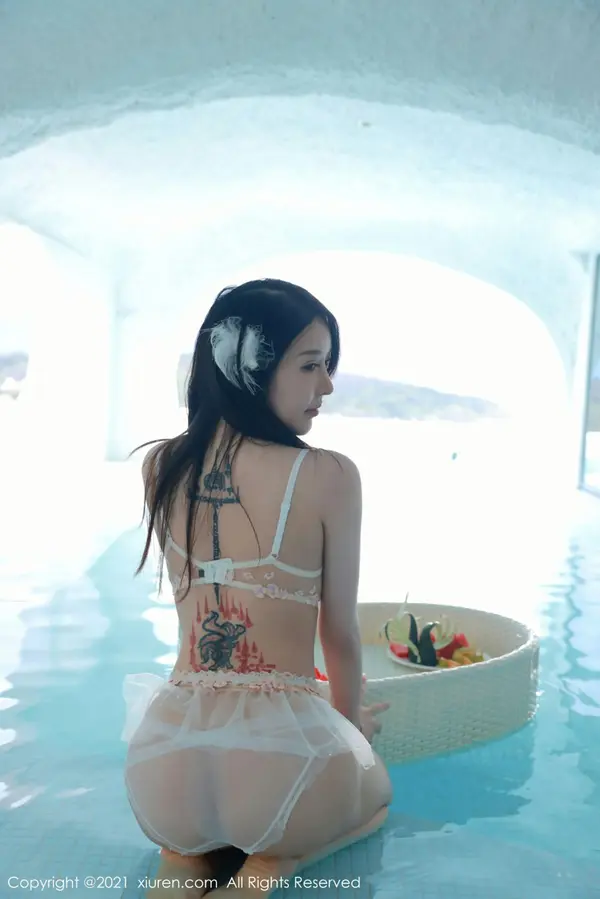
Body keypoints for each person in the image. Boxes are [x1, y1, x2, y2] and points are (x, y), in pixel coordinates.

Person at [122, 279, 392, 898]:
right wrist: (350, 732)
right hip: (280, 779)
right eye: (311, 365)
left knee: (185, 857)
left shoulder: (162, 467)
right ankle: (264, 874)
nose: (327, 386)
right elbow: (340, 636)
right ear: (250, 367)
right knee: (375, 798)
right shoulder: (328, 474)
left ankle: (182, 865)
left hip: (165, 763)